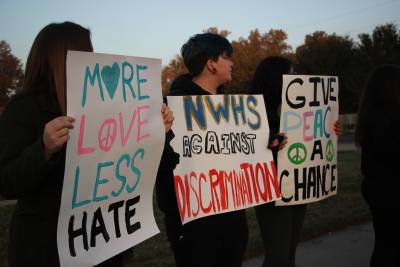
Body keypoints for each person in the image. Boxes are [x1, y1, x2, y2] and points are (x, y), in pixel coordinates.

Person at [0, 21, 174, 267]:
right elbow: (6, 182)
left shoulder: (110, 104)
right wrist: (43, 149)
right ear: (64, 56)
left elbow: (139, 162)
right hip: (46, 249)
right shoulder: (24, 108)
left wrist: (157, 131)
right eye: (86, 50)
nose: (92, 57)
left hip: (102, 241)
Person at [156, 33, 248, 267]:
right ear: (211, 64)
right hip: (194, 225)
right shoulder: (169, 110)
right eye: (228, 57)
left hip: (233, 220)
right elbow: (163, 167)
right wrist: (163, 136)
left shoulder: (232, 109)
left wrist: (266, 146)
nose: (232, 63)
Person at [250, 56, 341, 267]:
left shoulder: (298, 110)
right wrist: (269, 142)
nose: (296, 79)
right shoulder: (254, 111)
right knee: (278, 256)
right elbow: (247, 147)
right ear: (276, 79)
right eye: (291, 74)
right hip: (271, 191)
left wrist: (330, 130)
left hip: (297, 187)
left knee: (289, 253)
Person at [355, 64, 400, 267]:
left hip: (377, 187)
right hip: (390, 189)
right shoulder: (389, 118)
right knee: (389, 246)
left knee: (384, 244)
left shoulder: (370, 114)